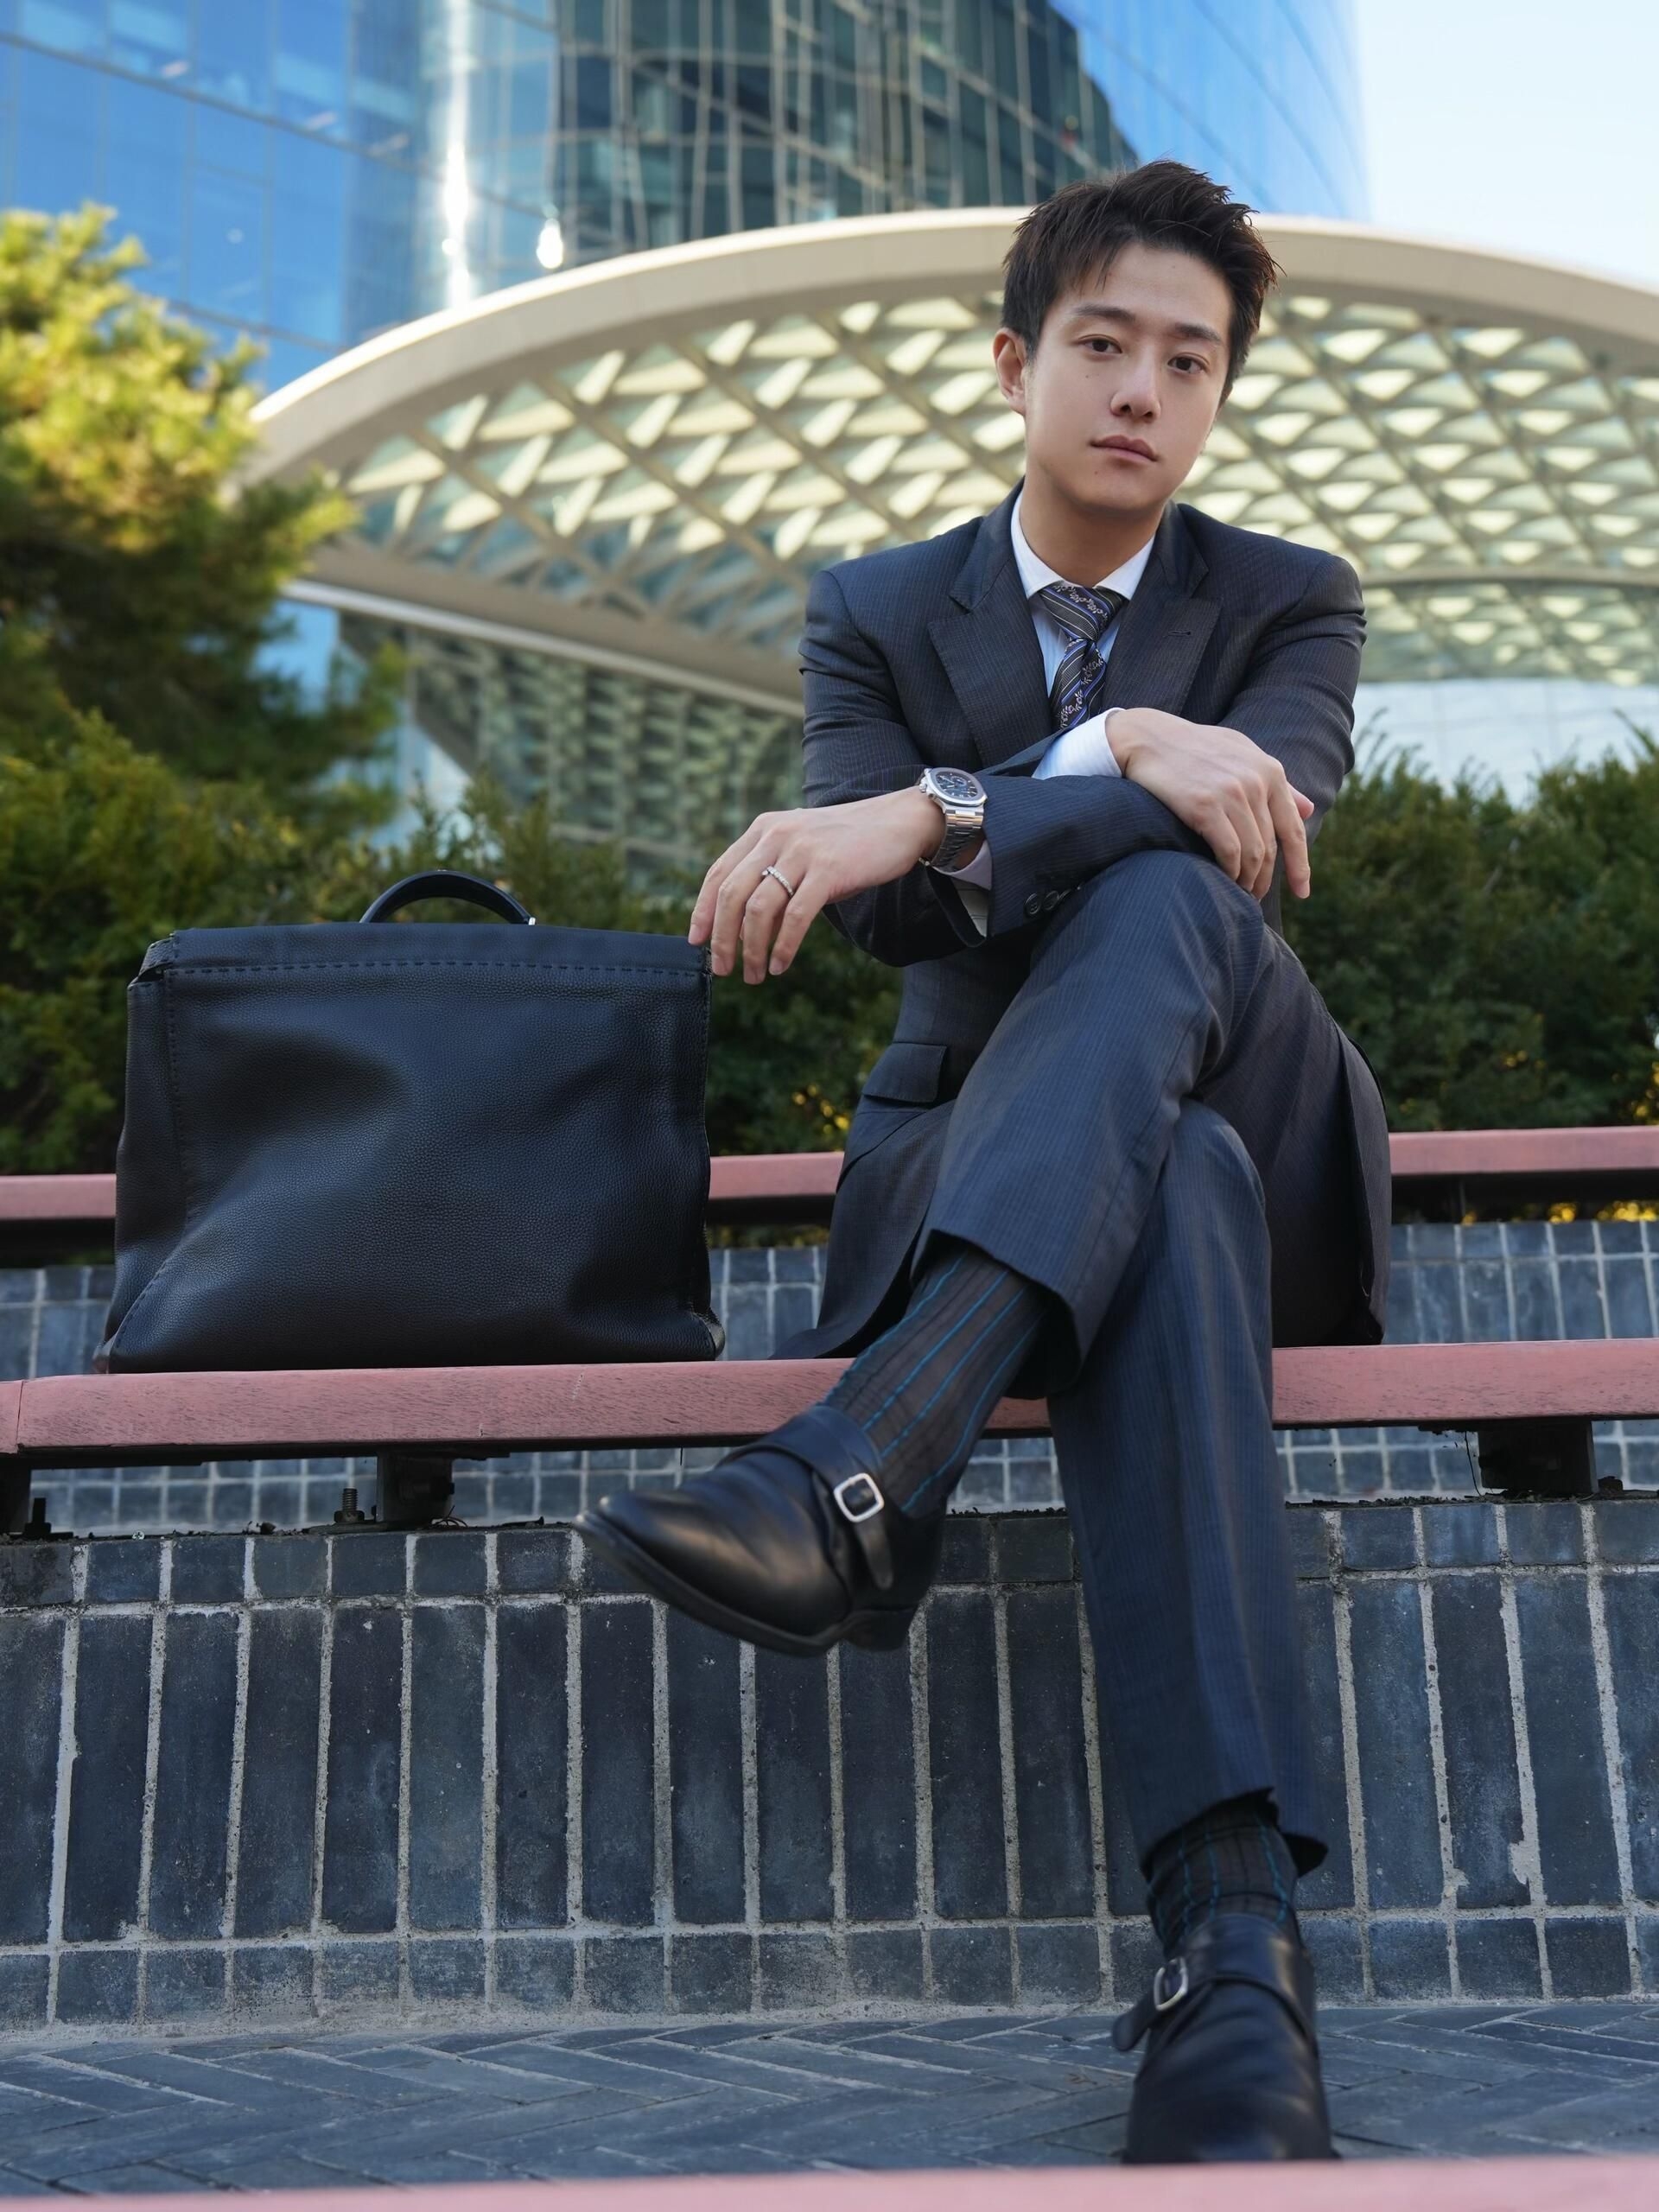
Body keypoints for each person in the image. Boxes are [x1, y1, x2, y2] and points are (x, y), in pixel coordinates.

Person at [577, 161, 1391, 2164]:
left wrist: (977, 796)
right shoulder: (872, 608)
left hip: (1271, 1124)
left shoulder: (1290, 597)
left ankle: (867, 1461)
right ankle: (1234, 1959)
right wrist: (1118, 752)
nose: (1144, 390)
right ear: (1019, 363)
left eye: (1189, 360)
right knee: (1168, 1185)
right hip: (1001, 1160)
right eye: (1105, 343)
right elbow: (879, 922)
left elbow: (1259, 827)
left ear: (1221, 394)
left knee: (1186, 905)